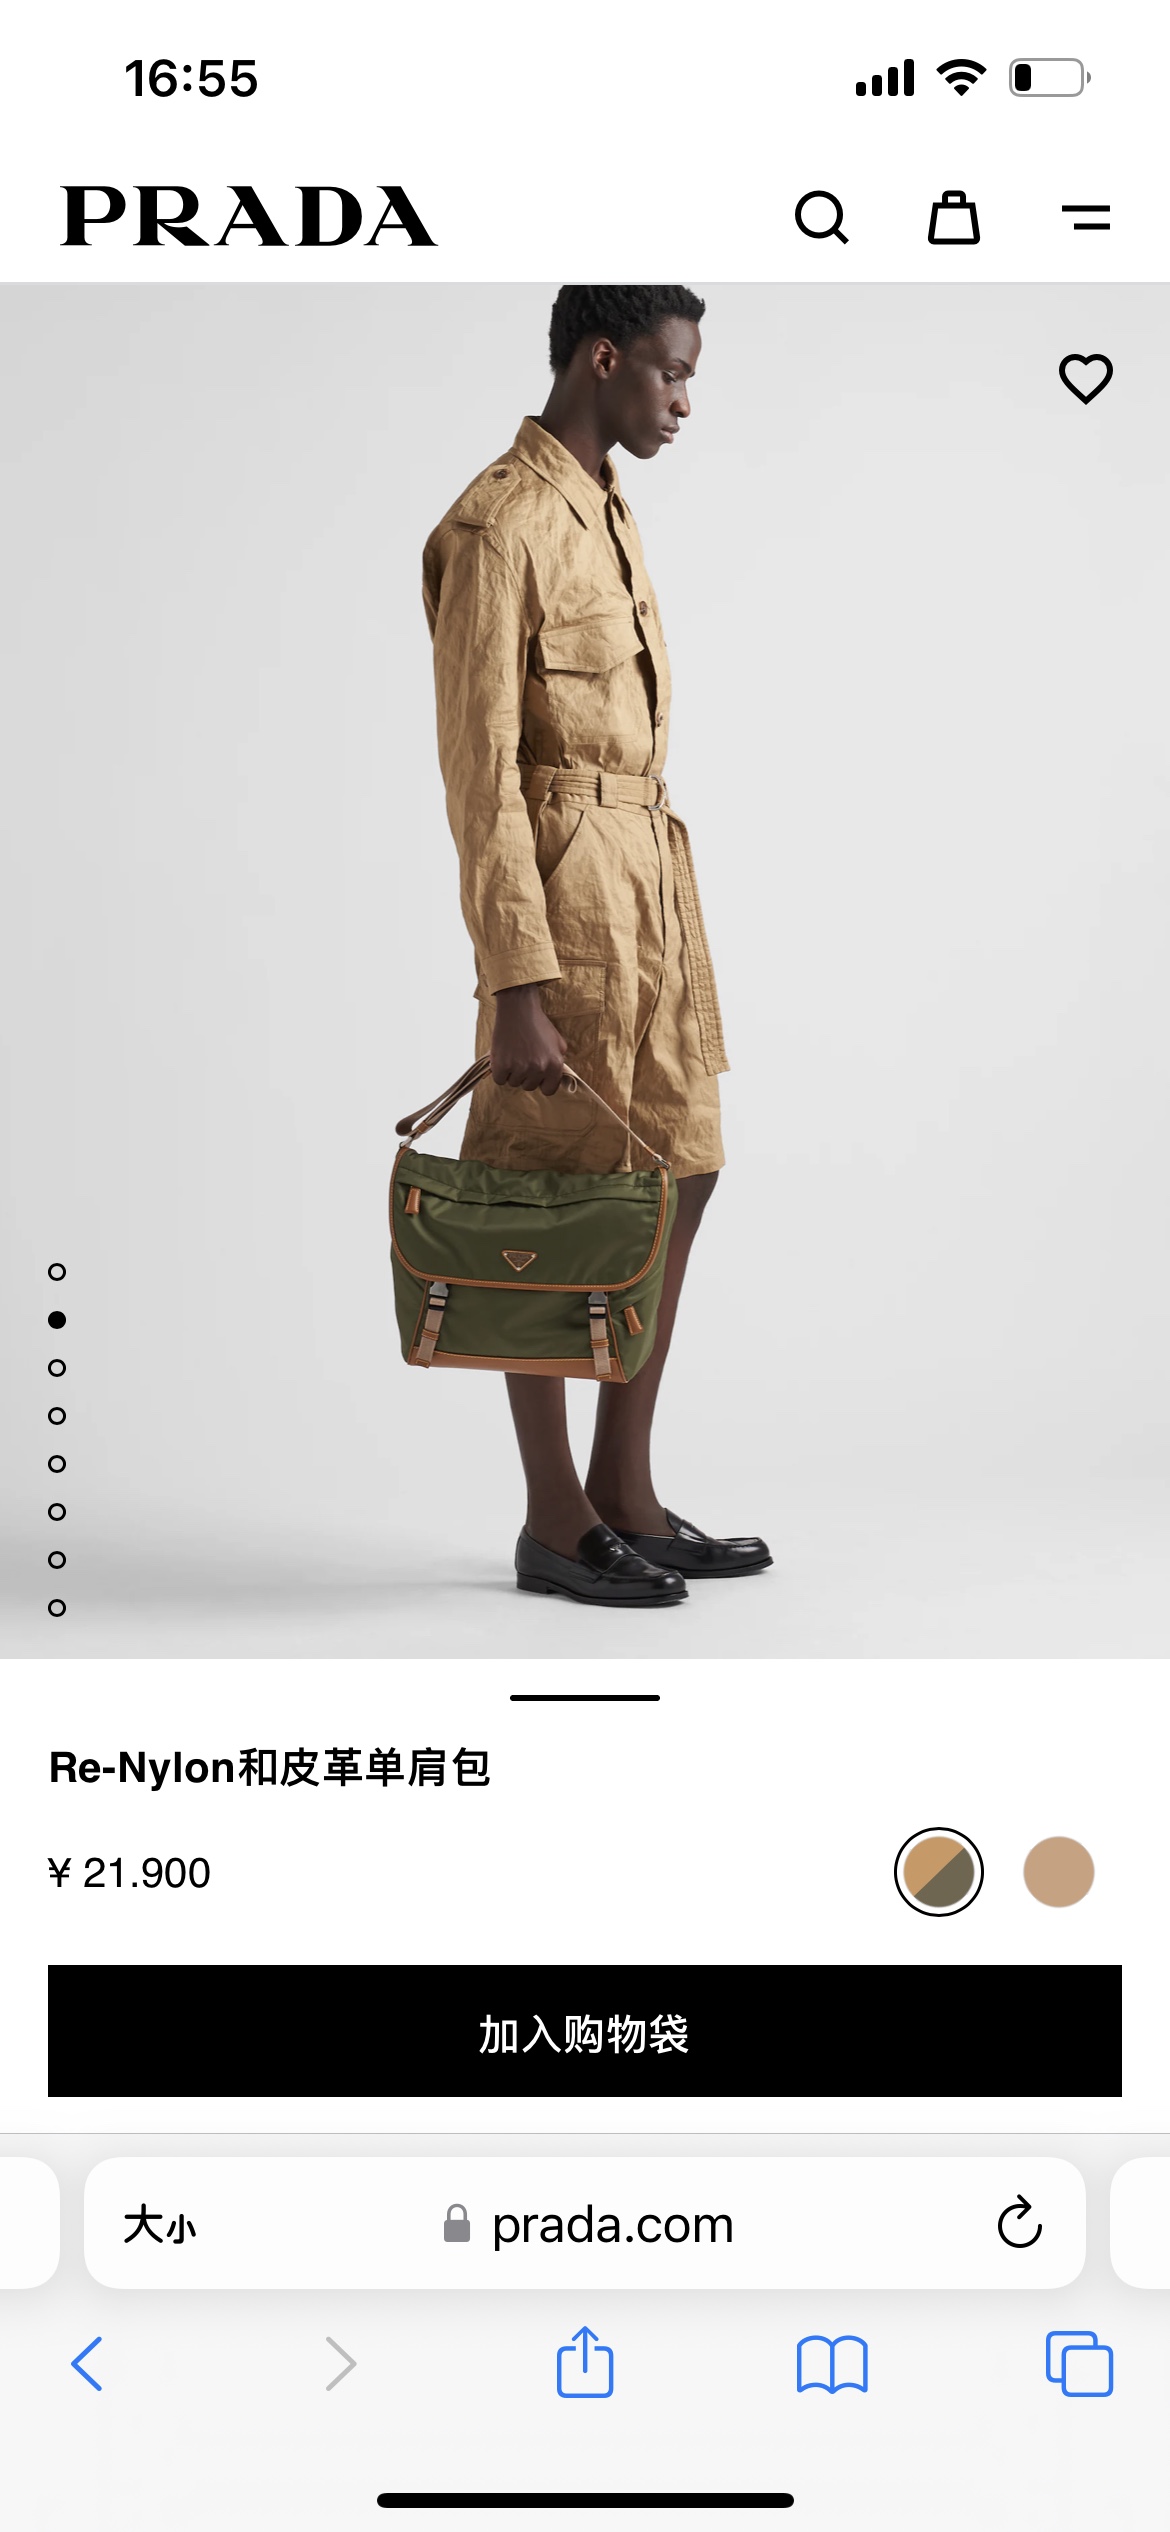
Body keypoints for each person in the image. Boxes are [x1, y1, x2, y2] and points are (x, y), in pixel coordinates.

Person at [421, 285, 771, 1606]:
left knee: (681, 1165)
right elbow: (480, 776)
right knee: (544, 1191)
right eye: (672, 375)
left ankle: (627, 1489)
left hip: (652, 881)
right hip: (560, 900)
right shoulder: (497, 524)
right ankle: (553, 1517)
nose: (683, 402)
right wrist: (515, 978)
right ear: (604, 358)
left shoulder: (606, 508)